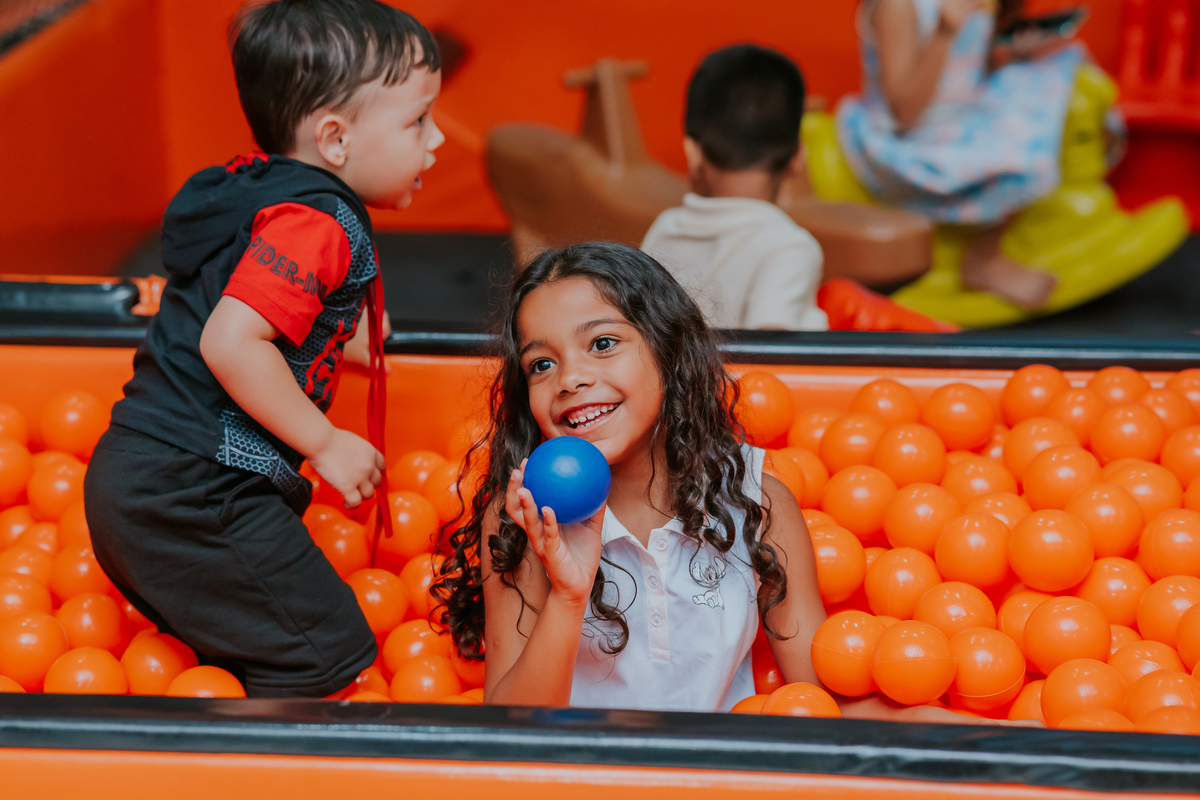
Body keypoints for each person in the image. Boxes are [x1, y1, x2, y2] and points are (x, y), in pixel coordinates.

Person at [434, 241, 968, 720]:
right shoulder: (524, 521)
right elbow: (510, 730)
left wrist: (959, 733)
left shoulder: (756, 502)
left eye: (601, 344)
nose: (570, 378)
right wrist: (569, 596)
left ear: (667, 350)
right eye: (541, 364)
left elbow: (821, 693)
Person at [82, 0, 444, 698]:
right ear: (334, 139)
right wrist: (326, 442)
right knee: (327, 653)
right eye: (417, 121)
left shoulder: (261, 191)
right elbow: (231, 340)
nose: (437, 142)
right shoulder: (316, 221)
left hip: (147, 481)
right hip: (191, 492)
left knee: (270, 641)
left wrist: (353, 333)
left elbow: (261, 311)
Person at [837, 0, 1095, 309]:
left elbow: (966, 72)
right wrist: (944, 31)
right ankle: (983, 258)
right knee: (1022, 147)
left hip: (960, 117)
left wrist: (1013, 53)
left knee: (1054, 70)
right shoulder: (899, 6)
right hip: (908, 143)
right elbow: (904, 114)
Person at [641, 45, 829, 332]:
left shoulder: (664, 229)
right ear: (798, 160)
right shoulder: (789, 247)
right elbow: (774, 350)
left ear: (693, 154)